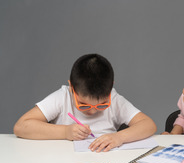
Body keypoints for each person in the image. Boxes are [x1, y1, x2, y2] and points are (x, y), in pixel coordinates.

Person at [14, 53, 157, 152]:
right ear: (72, 88)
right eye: (83, 104)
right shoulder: (62, 97)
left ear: (110, 87)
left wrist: (119, 137)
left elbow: (148, 124)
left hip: (106, 162)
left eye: (102, 104)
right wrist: (65, 131)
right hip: (62, 162)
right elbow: (21, 126)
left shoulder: (114, 99)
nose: (92, 111)